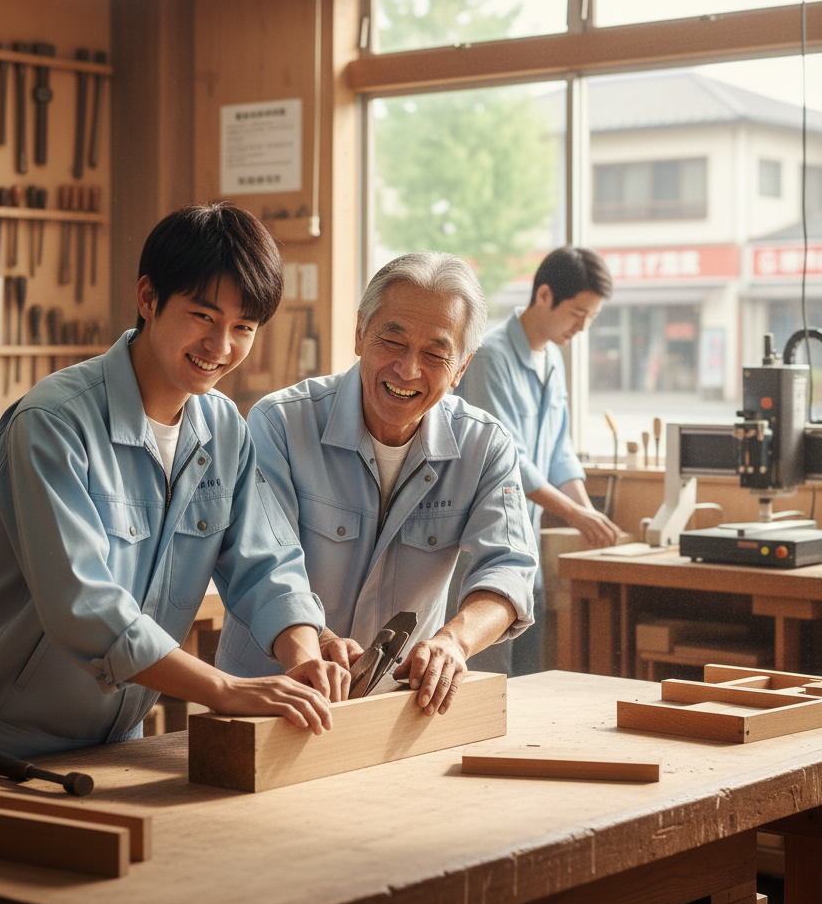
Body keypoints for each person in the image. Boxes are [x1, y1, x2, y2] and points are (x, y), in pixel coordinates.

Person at [0, 204, 347, 773]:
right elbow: (83, 607)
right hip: (2, 751)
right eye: (203, 316)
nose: (221, 346)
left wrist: (302, 656)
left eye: (244, 327)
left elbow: (267, 564)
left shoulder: (224, 429)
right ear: (149, 298)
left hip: (121, 746)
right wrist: (224, 690)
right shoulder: (52, 423)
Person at [217, 251, 538, 717]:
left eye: (435, 354)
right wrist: (315, 641)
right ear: (360, 334)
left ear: (461, 368)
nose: (407, 369)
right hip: (270, 699)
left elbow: (509, 568)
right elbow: (262, 563)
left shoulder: (485, 445)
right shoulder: (280, 423)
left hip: (394, 713)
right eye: (392, 340)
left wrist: (454, 642)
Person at [454, 246, 619, 676]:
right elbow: (511, 462)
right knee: (490, 676)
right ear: (544, 295)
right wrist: (578, 517)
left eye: (591, 318)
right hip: (482, 548)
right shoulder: (490, 357)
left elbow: (560, 452)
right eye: (577, 314)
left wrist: (588, 516)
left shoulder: (552, 361)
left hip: (526, 548)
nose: (582, 327)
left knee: (529, 672)